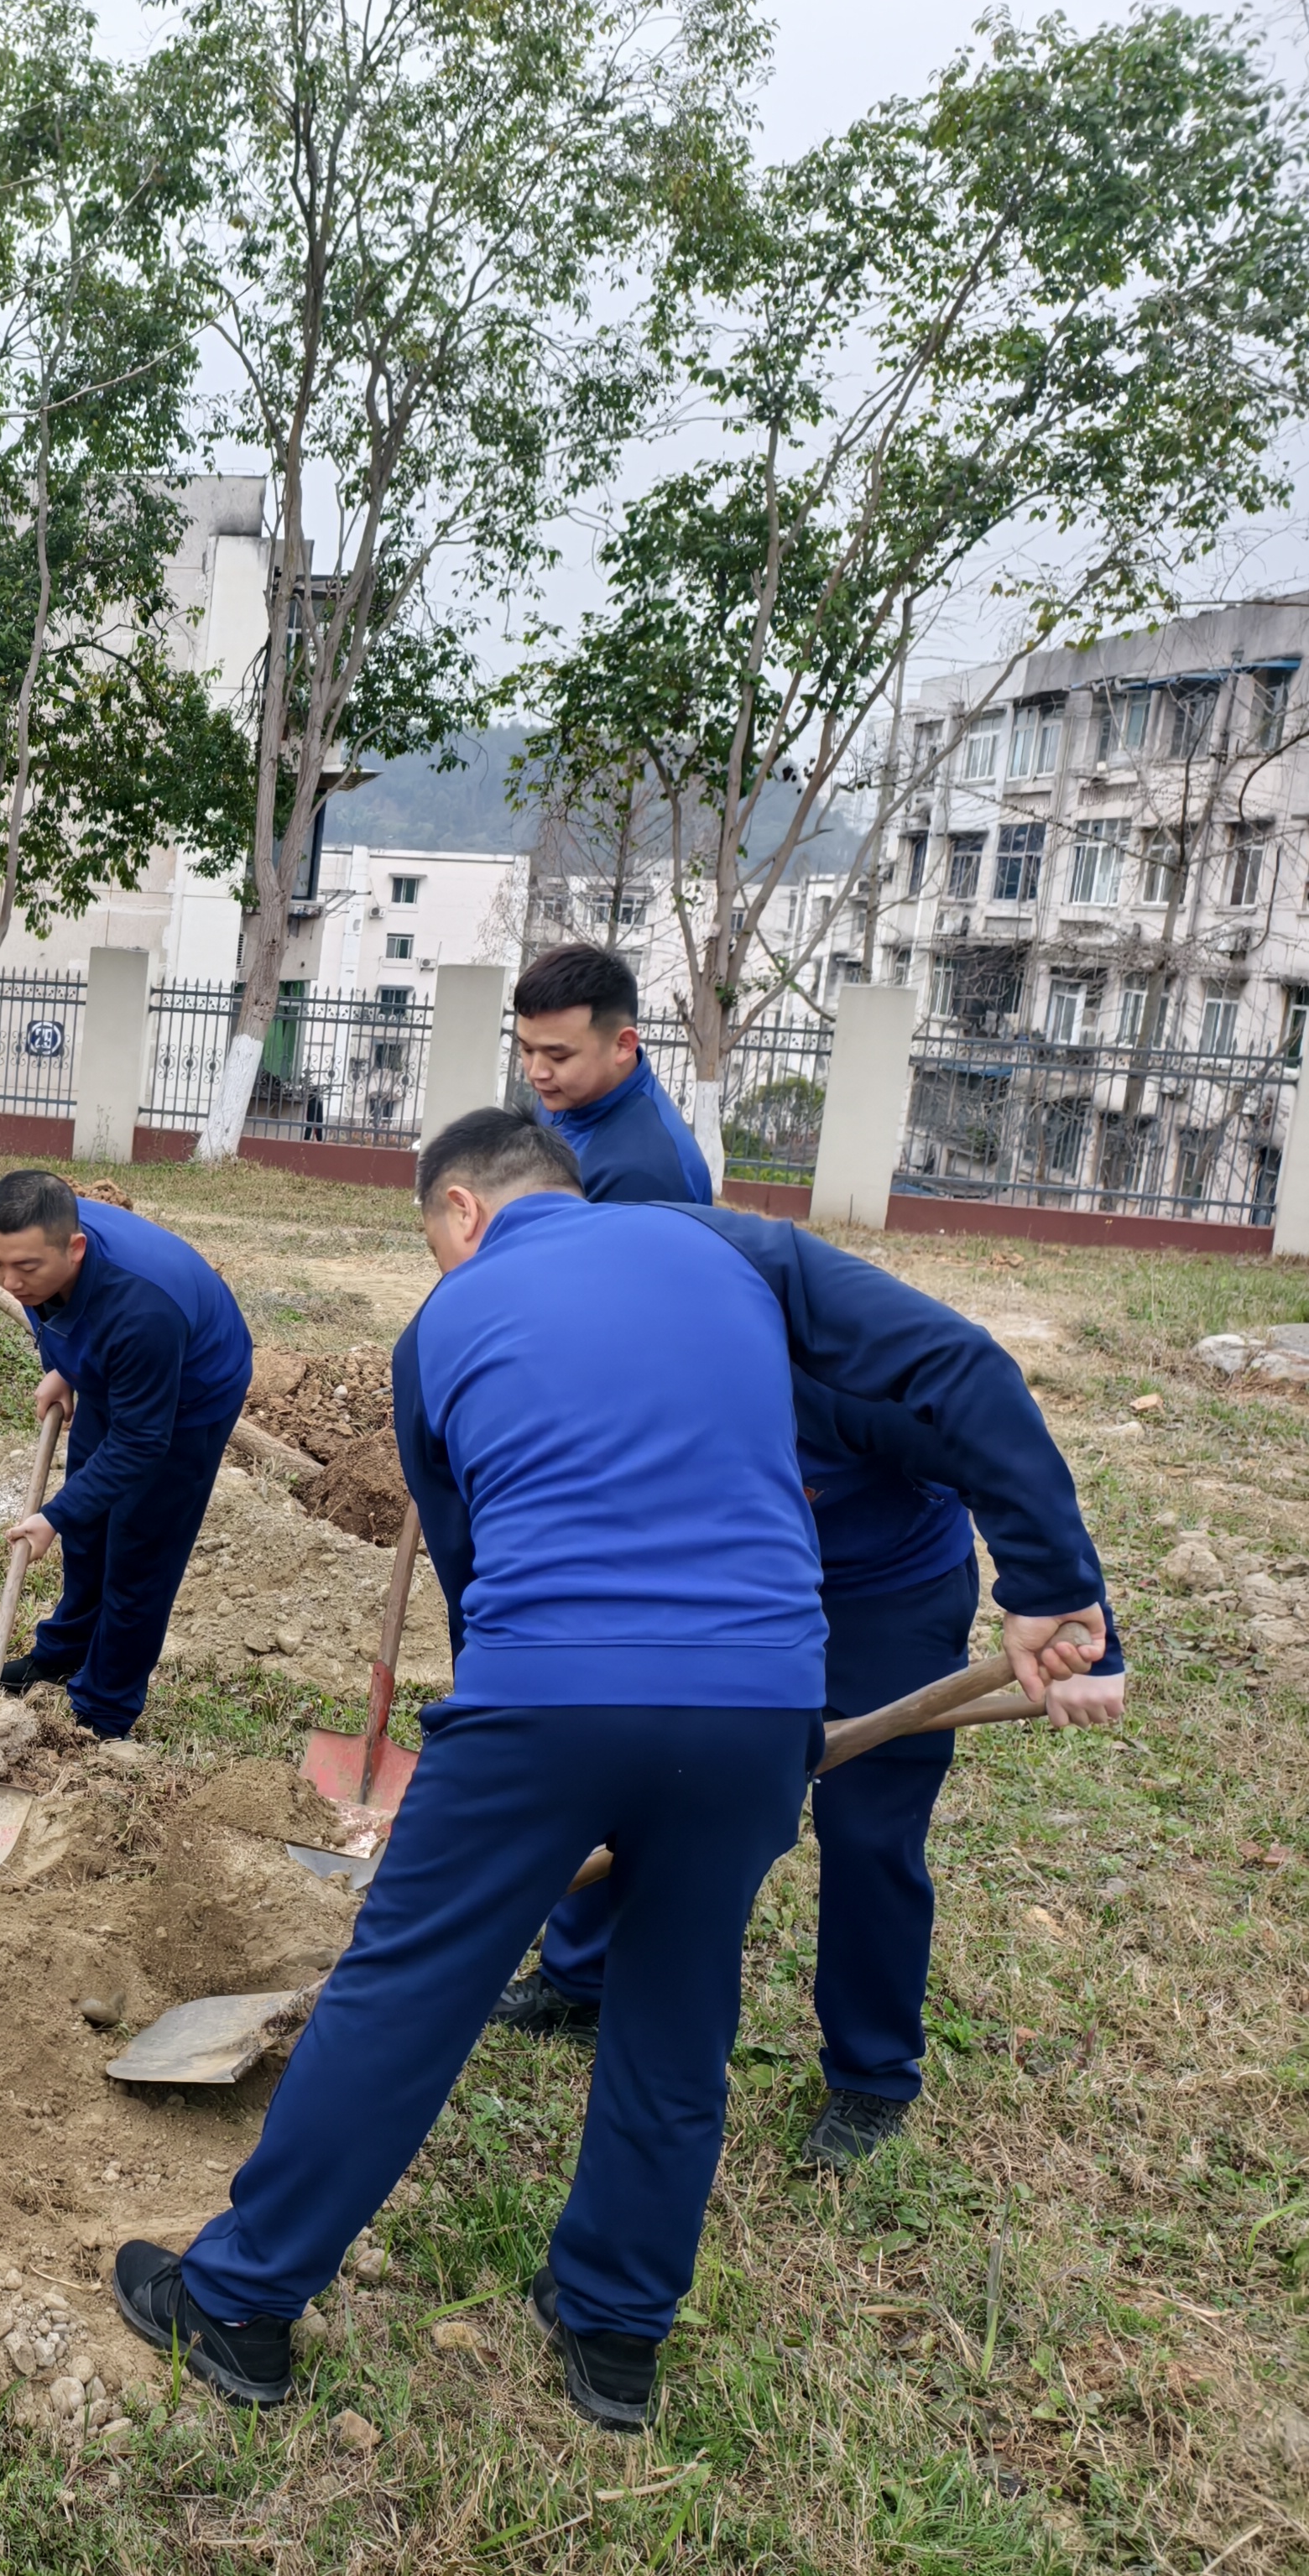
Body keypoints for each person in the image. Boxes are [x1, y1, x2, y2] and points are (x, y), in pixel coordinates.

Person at [112, 1110, 1109, 2433]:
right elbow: (964, 1369)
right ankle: (617, 2337)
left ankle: (239, 2305)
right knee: (679, 2004)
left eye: (436, 1242)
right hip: (763, 1702)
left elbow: (472, 1578)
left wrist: (540, 1760)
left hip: (546, 1697)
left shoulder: (436, 1334)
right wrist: (1055, 1589)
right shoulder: (738, 1250)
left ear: (464, 1212)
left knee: (405, 1990)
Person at [490, 1206, 1129, 2169]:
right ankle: (579, 1977)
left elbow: (990, 1425)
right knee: (644, 1767)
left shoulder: (842, 1380)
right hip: (730, 1579)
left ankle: (871, 2075)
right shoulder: (615, 1356)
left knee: (869, 1828)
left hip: (886, 1586)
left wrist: (1074, 1616)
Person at [0, 1173, 252, 1741]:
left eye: (24, 1268)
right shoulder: (44, 1245)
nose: (8, 1281)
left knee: (138, 1560)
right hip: (123, 1372)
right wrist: (64, 1366)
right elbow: (56, 1307)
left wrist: (52, 1515)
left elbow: (141, 1441)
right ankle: (64, 1653)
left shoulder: (141, 1311)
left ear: (74, 1250)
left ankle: (102, 1712)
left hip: (186, 1402)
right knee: (91, 1529)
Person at [513, 942, 711, 1204]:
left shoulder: (643, 1176)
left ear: (623, 1045)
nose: (536, 1073)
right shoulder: (567, 1096)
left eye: (558, 1056)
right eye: (527, 1049)